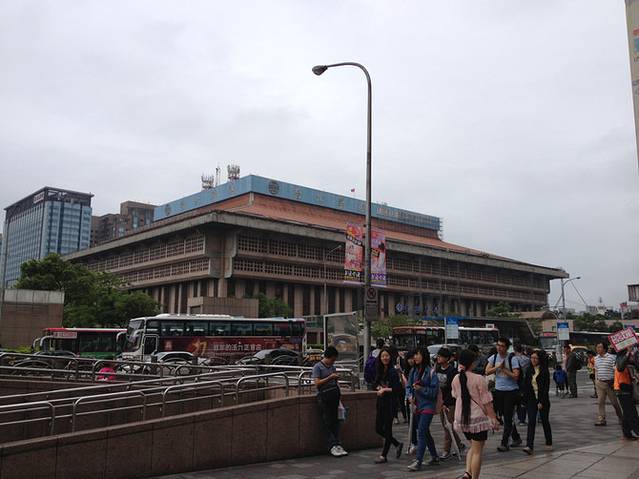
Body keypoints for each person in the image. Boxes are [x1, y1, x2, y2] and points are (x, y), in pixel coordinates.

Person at [452, 349, 499, 479]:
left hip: (462, 417)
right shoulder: (479, 379)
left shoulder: (456, 378)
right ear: (472, 363)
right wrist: (493, 418)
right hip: (477, 418)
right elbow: (486, 401)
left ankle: (467, 473)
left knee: (473, 446)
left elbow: (455, 395)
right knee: (478, 451)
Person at [486, 337, 522, 452]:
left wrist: (504, 370)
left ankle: (504, 442)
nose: (499, 348)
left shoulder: (512, 358)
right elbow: (487, 371)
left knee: (507, 416)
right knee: (505, 417)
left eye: (502, 346)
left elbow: (516, 376)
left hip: (511, 391)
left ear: (507, 347)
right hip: (498, 391)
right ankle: (516, 437)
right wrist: (498, 367)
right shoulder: (494, 357)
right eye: (498, 345)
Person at [407, 347, 440, 472]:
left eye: (417, 354)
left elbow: (434, 392)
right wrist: (409, 396)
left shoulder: (430, 372)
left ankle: (418, 461)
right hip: (417, 406)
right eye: (414, 354)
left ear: (424, 356)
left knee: (421, 431)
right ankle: (434, 456)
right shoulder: (413, 371)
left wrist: (421, 389)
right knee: (425, 432)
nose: (415, 357)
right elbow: (408, 386)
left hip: (428, 406)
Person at [312, 346, 348, 457]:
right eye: (332, 359)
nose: (333, 362)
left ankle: (337, 444)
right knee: (327, 421)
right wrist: (330, 377)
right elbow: (317, 383)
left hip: (334, 395)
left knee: (335, 421)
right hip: (324, 396)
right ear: (327, 357)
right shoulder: (317, 367)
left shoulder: (332, 367)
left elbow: (335, 382)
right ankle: (332, 445)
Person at [373, 347, 403, 464]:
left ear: (390, 357)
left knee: (388, 429)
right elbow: (375, 383)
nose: (384, 358)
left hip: (390, 403)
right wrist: (378, 387)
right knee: (378, 428)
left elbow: (397, 389)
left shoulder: (393, 372)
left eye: (386, 356)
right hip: (381, 402)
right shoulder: (380, 370)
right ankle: (397, 443)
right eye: (382, 356)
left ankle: (383, 456)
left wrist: (385, 390)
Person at [435, 347, 466, 460]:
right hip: (440, 401)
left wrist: (445, 402)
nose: (438, 358)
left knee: (448, 425)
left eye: (441, 356)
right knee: (446, 426)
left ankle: (446, 450)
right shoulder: (437, 369)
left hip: (450, 403)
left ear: (447, 358)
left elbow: (453, 389)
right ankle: (460, 445)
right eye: (438, 356)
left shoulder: (452, 371)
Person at [521, 350, 552, 454]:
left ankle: (549, 442)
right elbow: (526, 386)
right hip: (531, 399)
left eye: (535, 358)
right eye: (532, 358)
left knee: (544, 420)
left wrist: (541, 402)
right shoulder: (529, 370)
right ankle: (529, 445)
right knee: (531, 421)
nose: (533, 360)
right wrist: (524, 400)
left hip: (542, 399)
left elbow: (545, 388)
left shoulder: (544, 371)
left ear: (540, 359)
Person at [594, 341, 623, 427]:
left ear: (604, 349)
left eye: (600, 347)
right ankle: (601, 419)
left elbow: (616, 370)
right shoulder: (596, 358)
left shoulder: (612, 357)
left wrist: (614, 382)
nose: (598, 349)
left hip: (610, 384)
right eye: (597, 347)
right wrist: (596, 380)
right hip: (600, 383)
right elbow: (596, 370)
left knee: (614, 403)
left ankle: (621, 417)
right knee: (600, 402)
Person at [614, 346, 639, 439]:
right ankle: (637, 431)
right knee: (632, 413)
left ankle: (627, 433)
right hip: (622, 389)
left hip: (627, 388)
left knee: (627, 412)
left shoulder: (629, 359)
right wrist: (628, 353)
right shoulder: (620, 359)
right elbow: (620, 367)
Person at [404, 350, 419, 454]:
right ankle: (414, 443)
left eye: (412, 358)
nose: (411, 360)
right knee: (411, 423)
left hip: (420, 401)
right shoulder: (409, 371)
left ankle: (423, 443)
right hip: (410, 400)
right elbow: (408, 386)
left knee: (421, 424)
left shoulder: (422, 370)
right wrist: (409, 396)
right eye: (409, 358)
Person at [513, 343, 530, 426]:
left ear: (515, 350)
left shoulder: (513, 359)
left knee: (515, 401)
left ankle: (517, 418)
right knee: (523, 400)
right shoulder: (527, 359)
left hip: (514, 381)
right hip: (525, 381)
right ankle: (522, 419)